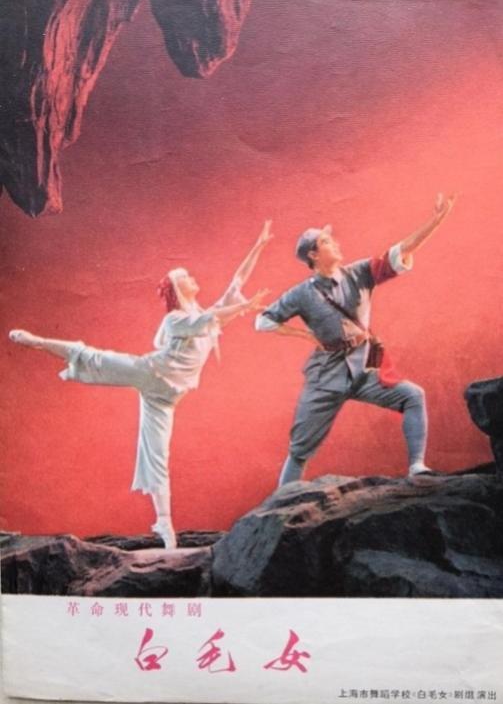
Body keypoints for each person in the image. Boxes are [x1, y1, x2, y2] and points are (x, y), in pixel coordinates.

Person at [9, 221, 273, 549]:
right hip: (150, 373)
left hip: (167, 397)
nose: (193, 278)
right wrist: (245, 306)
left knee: (157, 454)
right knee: (95, 358)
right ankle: (37, 341)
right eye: (186, 276)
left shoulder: (206, 315)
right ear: (179, 288)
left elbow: (237, 282)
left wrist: (259, 245)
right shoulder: (175, 320)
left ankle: (163, 522)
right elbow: (209, 319)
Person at [255, 195, 455, 486]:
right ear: (313, 255)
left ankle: (417, 467)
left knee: (412, 396)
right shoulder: (301, 294)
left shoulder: (359, 273)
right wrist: (304, 334)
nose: (335, 244)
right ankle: (281, 505)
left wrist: (434, 221)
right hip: (325, 377)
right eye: (326, 241)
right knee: (299, 450)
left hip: (362, 370)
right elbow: (263, 321)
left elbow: (398, 253)